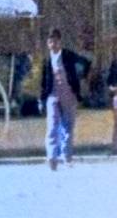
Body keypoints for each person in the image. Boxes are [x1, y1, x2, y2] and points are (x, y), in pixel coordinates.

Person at [39, 27, 90, 171]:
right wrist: (42, 99)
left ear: (60, 42)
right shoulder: (47, 61)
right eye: (50, 42)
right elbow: (44, 83)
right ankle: (52, 158)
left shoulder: (68, 55)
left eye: (55, 41)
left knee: (68, 127)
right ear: (48, 44)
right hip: (53, 96)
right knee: (52, 127)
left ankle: (67, 157)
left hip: (69, 95)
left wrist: (80, 77)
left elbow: (86, 63)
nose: (53, 45)